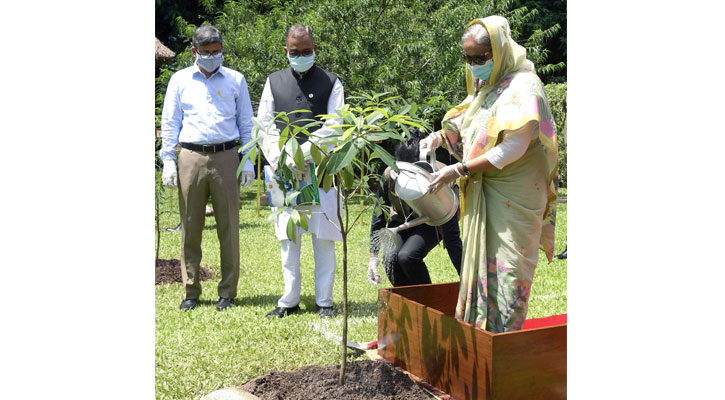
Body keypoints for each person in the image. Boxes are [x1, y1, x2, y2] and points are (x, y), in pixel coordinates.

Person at [420, 16, 558, 333]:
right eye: (467, 58)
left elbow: (512, 148)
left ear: (499, 51)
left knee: (509, 274)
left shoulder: (525, 88)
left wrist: (459, 169)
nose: (472, 65)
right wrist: (440, 137)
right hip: (486, 192)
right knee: (484, 269)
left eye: (479, 57)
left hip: (517, 197)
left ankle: (504, 345)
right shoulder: (489, 85)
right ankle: (482, 339)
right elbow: (470, 118)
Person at [160, 25, 255, 311]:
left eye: (217, 52)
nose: (213, 57)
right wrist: (167, 159)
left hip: (227, 155)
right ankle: (191, 290)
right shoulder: (179, 80)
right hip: (190, 156)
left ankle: (227, 291)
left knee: (229, 227)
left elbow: (246, 123)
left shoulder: (236, 79)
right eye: (206, 53)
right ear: (194, 51)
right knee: (190, 226)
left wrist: (248, 158)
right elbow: (170, 122)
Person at [257, 24, 344, 319]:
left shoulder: (332, 82)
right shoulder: (273, 81)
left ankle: (325, 302)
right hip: (283, 171)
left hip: (321, 169)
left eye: (307, 51)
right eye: (295, 52)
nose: (301, 56)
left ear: (315, 49)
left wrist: (303, 154)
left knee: (323, 239)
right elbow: (264, 125)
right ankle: (289, 300)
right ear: (286, 51)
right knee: (288, 237)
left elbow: (334, 126)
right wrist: (280, 157)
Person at [368, 131, 462, 286]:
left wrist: (468, 281)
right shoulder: (389, 175)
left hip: (431, 222)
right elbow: (379, 214)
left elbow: (452, 236)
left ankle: (429, 301)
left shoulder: (442, 178)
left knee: (407, 257)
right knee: (390, 258)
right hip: (400, 221)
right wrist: (373, 256)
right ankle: (408, 301)